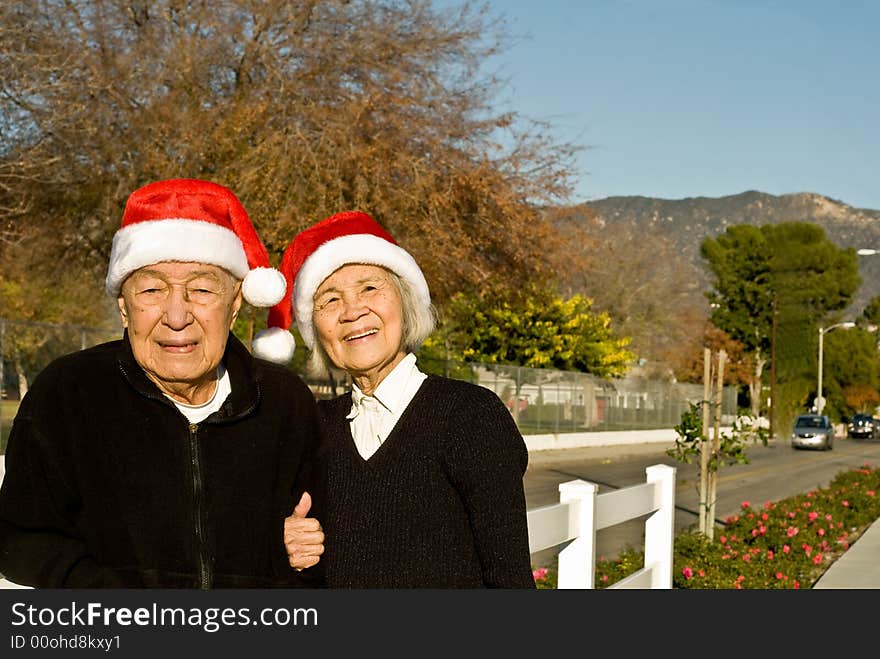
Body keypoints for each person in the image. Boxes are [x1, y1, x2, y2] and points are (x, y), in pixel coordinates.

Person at [0, 178, 324, 588]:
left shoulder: (284, 403)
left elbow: (326, 542)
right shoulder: (68, 393)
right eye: (152, 289)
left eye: (202, 289)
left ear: (235, 303)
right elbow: (21, 538)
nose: (176, 315)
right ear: (123, 306)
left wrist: (303, 549)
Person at [252, 210, 536, 588]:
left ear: (404, 302)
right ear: (314, 330)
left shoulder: (469, 415)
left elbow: (510, 579)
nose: (353, 312)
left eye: (369, 288)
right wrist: (282, 545)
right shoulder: (309, 429)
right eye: (330, 300)